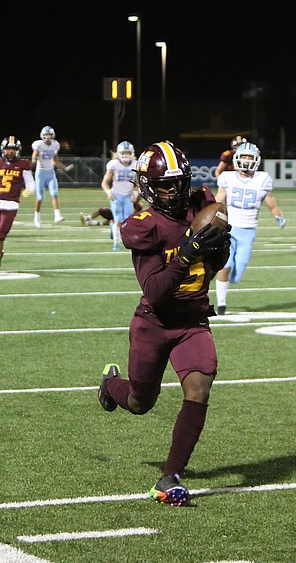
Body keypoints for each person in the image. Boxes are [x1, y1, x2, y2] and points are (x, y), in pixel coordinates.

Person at [96, 141, 231, 506]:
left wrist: (218, 249)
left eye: (178, 182)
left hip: (192, 320)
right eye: (165, 184)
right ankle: (110, 386)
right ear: (147, 185)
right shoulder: (145, 225)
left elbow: (215, 265)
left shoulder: (202, 203)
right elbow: (155, 291)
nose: (173, 191)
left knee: (200, 386)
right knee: (141, 403)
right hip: (154, 322)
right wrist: (187, 251)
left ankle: (170, 476)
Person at [213, 141, 285, 315]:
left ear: (256, 160)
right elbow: (219, 200)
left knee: (237, 273)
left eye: (249, 157)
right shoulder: (228, 177)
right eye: (243, 156)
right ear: (236, 159)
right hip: (229, 228)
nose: (246, 160)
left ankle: (227, 284)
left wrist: (278, 215)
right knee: (226, 264)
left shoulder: (262, 179)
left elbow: (270, 201)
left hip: (248, 231)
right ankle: (221, 303)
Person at [0, 135, 35, 275]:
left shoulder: (23, 165)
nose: (11, 151)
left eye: (13, 149)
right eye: (8, 149)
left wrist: (29, 189)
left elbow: (30, 182)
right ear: (3, 149)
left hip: (11, 205)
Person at [100, 141, 137, 250]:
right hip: (116, 195)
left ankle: (118, 233)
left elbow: (139, 182)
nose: (126, 155)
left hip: (128, 196)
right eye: (124, 153)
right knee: (118, 219)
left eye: (128, 153)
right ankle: (116, 242)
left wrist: (136, 192)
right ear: (119, 153)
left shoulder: (136, 165)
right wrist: (108, 192)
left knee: (128, 220)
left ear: (132, 153)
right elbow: (104, 182)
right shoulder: (114, 164)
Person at [31, 125, 71, 226]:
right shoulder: (38, 144)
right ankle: (36, 217)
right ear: (42, 136)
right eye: (46, 135)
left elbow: (55, 160)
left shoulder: (55, 144)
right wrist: (33, 160)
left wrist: (64, 167)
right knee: (40, 197)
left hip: (50, 172)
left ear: (52, 136)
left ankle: (57, 216)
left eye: (49, 135)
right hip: (40, 172)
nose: (48, 137)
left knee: (54, 193)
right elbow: (35, 154)